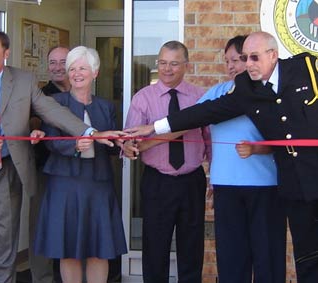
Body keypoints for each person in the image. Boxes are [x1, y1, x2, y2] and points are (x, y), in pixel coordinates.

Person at [125, 31, 318, 283]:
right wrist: (154, 128)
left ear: (273, 55)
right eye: (244, 58)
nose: (247, 64)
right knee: (308, 258)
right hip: (295, 188)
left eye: (253, 57)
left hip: (300, 178)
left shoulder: (307, 66)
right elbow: (202, 113)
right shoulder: (245, 89)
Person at [0, 29, 122, 283]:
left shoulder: (24, 81)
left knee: (4, 252)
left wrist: (90, 132)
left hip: (7, 173)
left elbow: (52, 112)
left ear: (6, 54)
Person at [33, 46, 127, 283]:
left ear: (95, 73)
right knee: (68, 251)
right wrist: (74, 146)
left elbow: (112, 147)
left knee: (99, 250)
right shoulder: (55, 102)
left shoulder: (105, 106)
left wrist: (125, 147)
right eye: (72, 68)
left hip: (98, 186)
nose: (76, 73)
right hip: (64, 185)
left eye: (82, 68)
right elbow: (50, 140)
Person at [197, 35, 286, 283]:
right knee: (231, 259)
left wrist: (258, 149)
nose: (232, 66)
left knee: (267, 258)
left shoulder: (267, 94)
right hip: (226, 188)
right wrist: (150, 133)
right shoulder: (216, 93)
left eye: (237, 60)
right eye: (227, 61)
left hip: (266, 187)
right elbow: (190, 122)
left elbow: (284, 140)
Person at [123, 41, 211, 282]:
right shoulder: (143, 98)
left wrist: (214, 177)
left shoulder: (199, 97)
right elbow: (130, 140)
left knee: (192, 247)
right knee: (155, 247)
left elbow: (209, 140)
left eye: (174, 63)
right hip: (157, 182)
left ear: (186, 65)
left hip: (192, 181)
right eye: (162, 63)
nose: (167, 69)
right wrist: (128, 146)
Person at [29, 46, 70, 283]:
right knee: (41, 225)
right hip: (45, 170)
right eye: (52, 62)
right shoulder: (40, 95)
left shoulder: (81, 93)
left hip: (74, 173)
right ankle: (42, 277)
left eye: (62, 62)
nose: (57, 67)